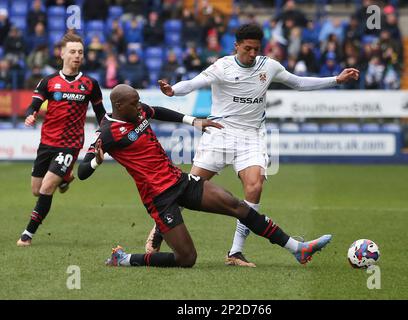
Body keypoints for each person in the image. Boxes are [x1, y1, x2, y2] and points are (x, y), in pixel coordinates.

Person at [152, 24, 359, 267]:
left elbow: (298, 83)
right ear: (236, 46)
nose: (252, 54)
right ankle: (156, 236)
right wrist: (172, 90)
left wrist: (336, 79)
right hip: (219, 134)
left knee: (255, 186)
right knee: (187, 188)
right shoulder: (222, 66)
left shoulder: (268, 66)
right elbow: (193, 83)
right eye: (247, 48)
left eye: (256, 49)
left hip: (251, 136)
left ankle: (235, 252)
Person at [77, 84, 333, 268]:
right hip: (159, 198)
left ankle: (297, 249)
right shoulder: (107, 133)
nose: (140, 106)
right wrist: (97, 161)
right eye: (134, 103)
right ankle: (124, 259)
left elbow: (157, 110)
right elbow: (82, 172)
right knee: (187, 259)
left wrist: (193, 121)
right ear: (120, 106)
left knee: (237, 206)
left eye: (139, 101)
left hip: (179, 180)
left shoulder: (138, 110)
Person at [16, 32, 106, 247]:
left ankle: (27, 234)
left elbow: (102, 114)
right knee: (36, 190)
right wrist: (31, 114)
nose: (77, 56)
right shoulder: (49, 82)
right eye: (73, 52)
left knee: (47, 188)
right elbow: (33, 105)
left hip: (70, 144)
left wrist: (105, 134)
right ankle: (66, 177)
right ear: (62, 53)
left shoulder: (90, 84)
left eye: (80, 52)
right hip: (47, 142)